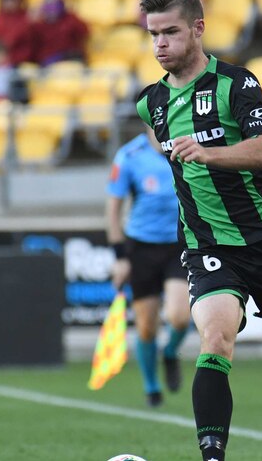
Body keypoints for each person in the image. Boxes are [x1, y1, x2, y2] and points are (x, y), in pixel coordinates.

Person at [137, 0, 262, 461]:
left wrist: (208, 152)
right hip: (208, 243)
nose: (160, 44)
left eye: (170, 32)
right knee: (215, 338)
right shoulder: (151, 104)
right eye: (153, 35)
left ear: (198, 29)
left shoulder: (237, 84)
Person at [106, 126, 191, 408]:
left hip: (179, 244)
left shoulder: (187, 147)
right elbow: (114, 208)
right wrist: (120, 255)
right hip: (141, 247)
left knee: (179, 316)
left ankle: (169, 353)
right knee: (146, 327)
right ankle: (152, 387)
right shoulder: (129, 155)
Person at [32, 0, 90, 66]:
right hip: (48, 61)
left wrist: (72, 15)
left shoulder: (70, 19)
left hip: (71, 57)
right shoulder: (38, 25)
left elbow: (85, 31)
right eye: (49, 8)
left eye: (55, 7)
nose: (52, 11)